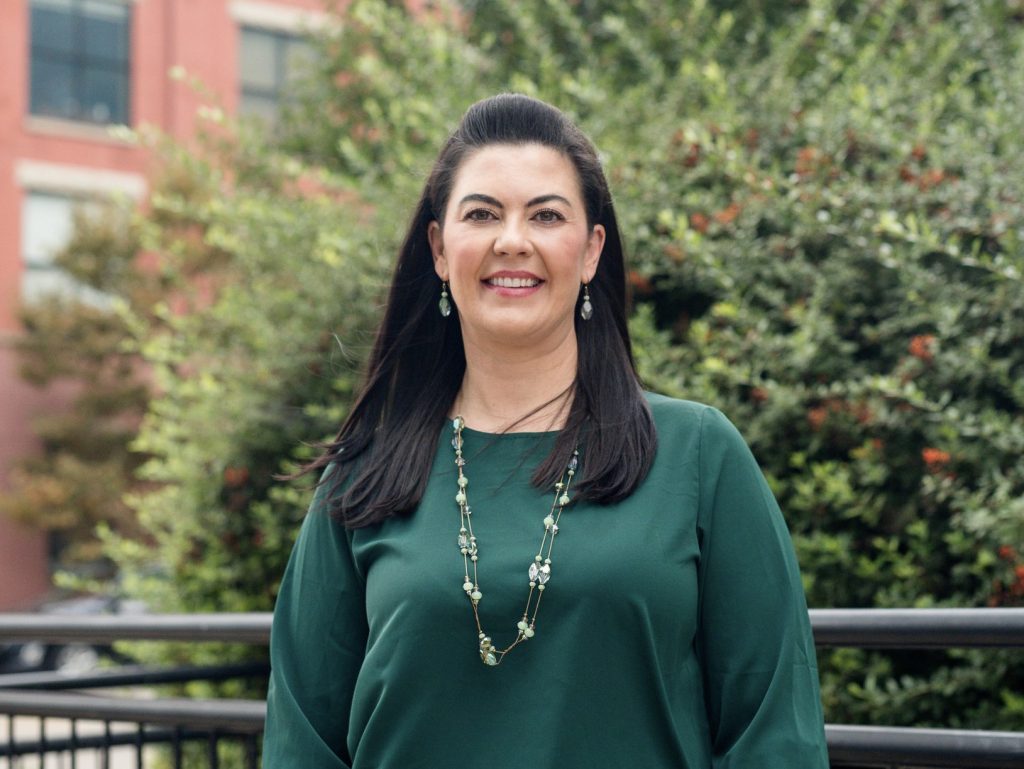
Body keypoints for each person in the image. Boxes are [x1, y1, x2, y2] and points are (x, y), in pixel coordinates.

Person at [262, 93, 829, 768]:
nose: (512, 239)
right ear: (440, 249)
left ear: (591, 250)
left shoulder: (698, 455)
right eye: (481, 213)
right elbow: (301, 741)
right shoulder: (362, 476)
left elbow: (775, 732)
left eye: (546, 214)